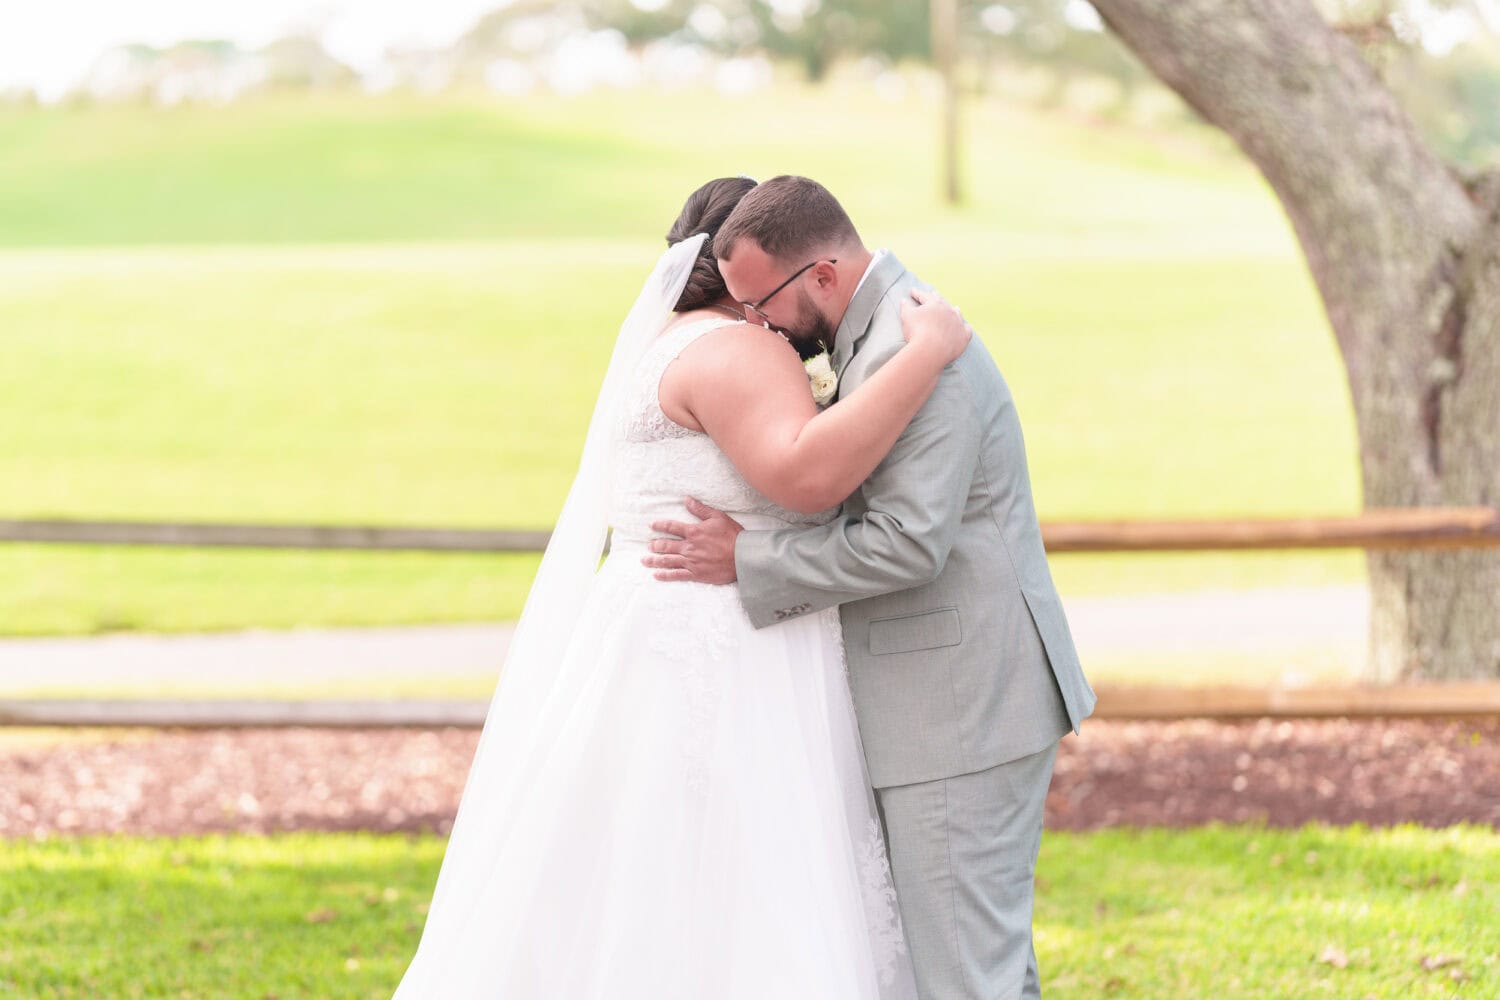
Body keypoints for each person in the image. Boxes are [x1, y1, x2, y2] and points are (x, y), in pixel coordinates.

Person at [392, 176, 971, 998]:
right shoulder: (739, 348)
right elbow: (805, 475)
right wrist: (924, 354)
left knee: (632, 872)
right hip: (731, 647)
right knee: (736, 879)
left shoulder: (662, 342)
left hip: (645, 635)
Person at [643, 175, 1097, 1000]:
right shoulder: (880, 339)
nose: (757, 327)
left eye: (761, 304)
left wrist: (751, 558)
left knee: (967, 977)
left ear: (819, 274)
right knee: (973, 965)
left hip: (959, 706)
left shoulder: (915, 349)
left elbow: (908, 545)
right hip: (941, 700)